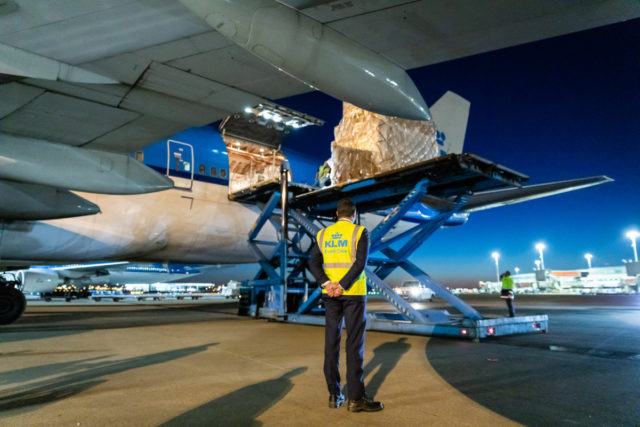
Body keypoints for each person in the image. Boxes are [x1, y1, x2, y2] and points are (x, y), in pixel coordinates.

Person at [309, 198, 384, 412]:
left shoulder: (323, 234)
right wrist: (342, 285)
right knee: (354, 346)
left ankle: (334, 395)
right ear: (354, 214)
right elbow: (360, 263)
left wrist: (327, 283)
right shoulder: (360, 232)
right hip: (353, 294)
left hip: (330, 295)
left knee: (331, 344)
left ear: (336, 213)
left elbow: (313, 262)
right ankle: (356, 399)